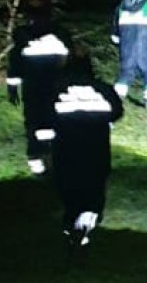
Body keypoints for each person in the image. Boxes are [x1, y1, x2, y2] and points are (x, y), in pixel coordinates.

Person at [50, 48, 124, 251]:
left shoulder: (58, 89)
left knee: (70, 184)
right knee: (94, 184)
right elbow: (117, 112)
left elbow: (46, 114)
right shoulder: (103, 89)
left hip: (67, 147)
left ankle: (72, 223)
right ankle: (87, 222)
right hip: (96, 147)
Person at [5, 0, 75, 175]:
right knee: (55, 121)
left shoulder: (22, 36)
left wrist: (12, 87)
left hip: (34, 87)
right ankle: (53, 161)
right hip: (55, 86)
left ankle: (38, 163)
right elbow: (72, 61)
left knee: (34, 121)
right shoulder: (61, 34)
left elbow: (15, 63)